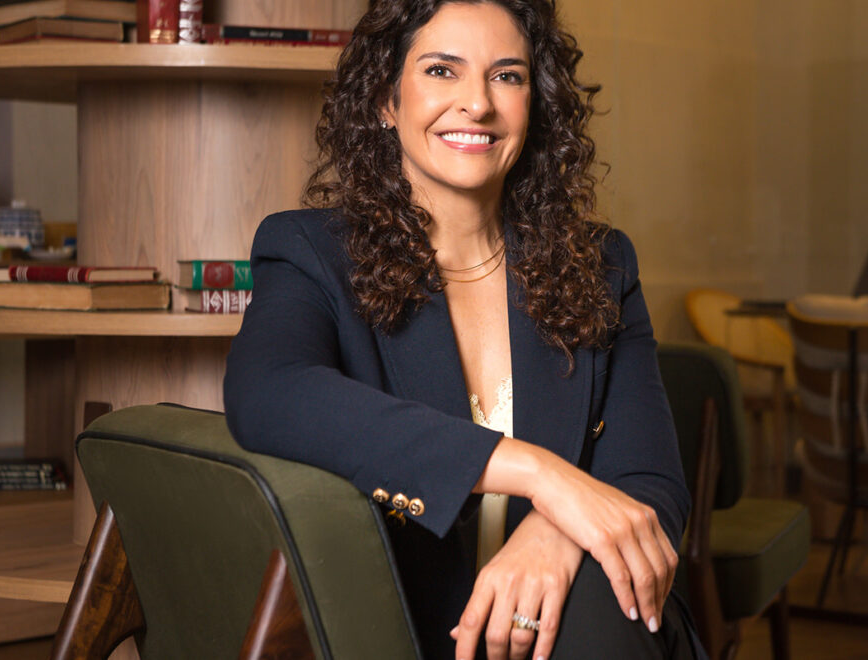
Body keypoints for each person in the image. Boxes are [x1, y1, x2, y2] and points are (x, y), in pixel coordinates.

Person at [224, 1, 706, 658]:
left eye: (507, 76)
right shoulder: (311, 252)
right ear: (386, 99)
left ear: (535, 104)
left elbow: (650, 481)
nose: (477, 104)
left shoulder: (601, 265)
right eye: (441, 70)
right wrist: (541, 475)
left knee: (610, 601)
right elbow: (269, 393)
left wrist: (556, 530)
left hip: (574, 624)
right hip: (418, 633)